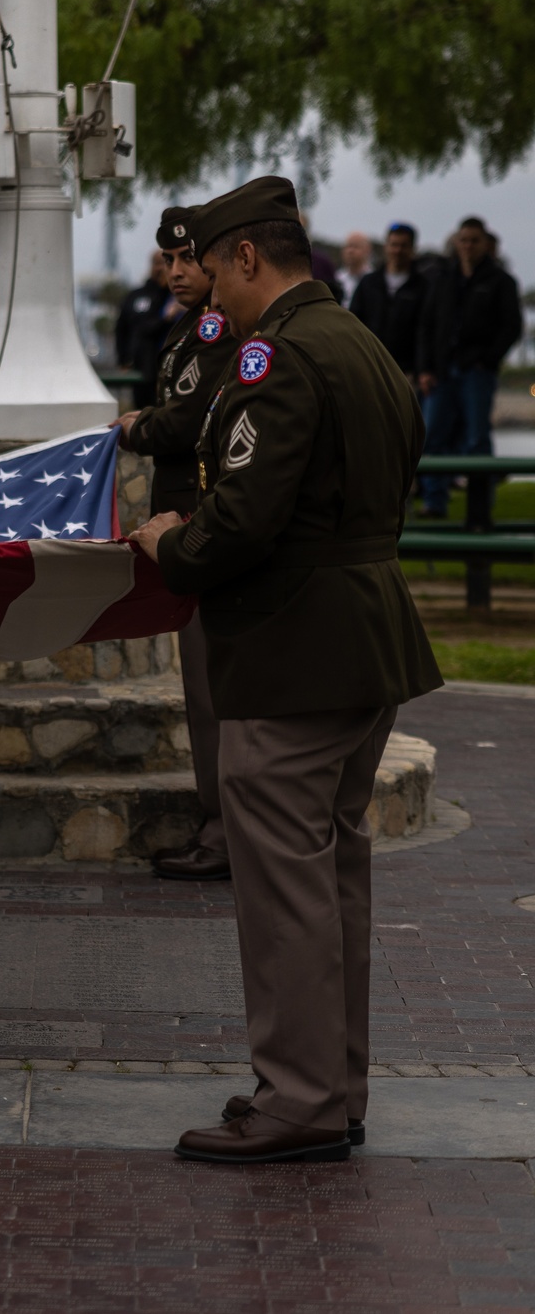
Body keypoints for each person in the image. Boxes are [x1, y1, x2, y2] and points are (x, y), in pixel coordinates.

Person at [132, 176, 441, 1166]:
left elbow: (246, 518)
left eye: (214, 269)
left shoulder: (276, 357)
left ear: (247, 257)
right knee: (332, 875)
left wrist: (169, 544)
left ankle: (299, 1097)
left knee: (284, 891)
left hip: (294, 646)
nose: (208, 294)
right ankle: (330, 1084)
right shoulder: (361, 343)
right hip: (364, 636)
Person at [112, 205, 236, 882]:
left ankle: (222, 830)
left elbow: (187, 420)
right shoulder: (194, 326)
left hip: (199, 519)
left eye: (190, 259)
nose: (179, 272)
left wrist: (135, 428)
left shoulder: (216, 329)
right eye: (170, 261)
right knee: (203, 687)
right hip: (189, 519)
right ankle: (217, 821)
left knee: (212, 689)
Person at [416, 216, 523, 519]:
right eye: (463, 240)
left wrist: (488, 360)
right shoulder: (443, 280)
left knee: (477, 440)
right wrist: (426, 368)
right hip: (442, 371)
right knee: (433, 435)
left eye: (474, 241)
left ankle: (478, 511)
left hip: (475, 372)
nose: (467, 246)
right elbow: (426, 325)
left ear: (485, 244)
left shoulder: (500, 282)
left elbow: (511, 326)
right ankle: (435, 503)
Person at [349, 223, 429, 379]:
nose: (398, 251)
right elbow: (353, 322)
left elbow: (424, 329)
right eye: (394, 245)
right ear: (386, 246)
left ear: (413, 249)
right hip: (370, 366)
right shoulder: (369, 283)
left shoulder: (422, 287)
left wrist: (420, 369)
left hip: (405, 370)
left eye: (403, 246)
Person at [114, 250, 169, 408]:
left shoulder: (178, 296)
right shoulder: (136, 296)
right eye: (157, 263)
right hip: (143, 371)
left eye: (166, 263)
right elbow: (123, 329)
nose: (161, 269)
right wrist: (123, 360)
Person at [336, 231, 373, 306]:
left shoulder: (374, 280)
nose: (350, 251)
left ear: (367, 250)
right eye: (348, 246)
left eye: (355, 247)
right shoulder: (337, 278)